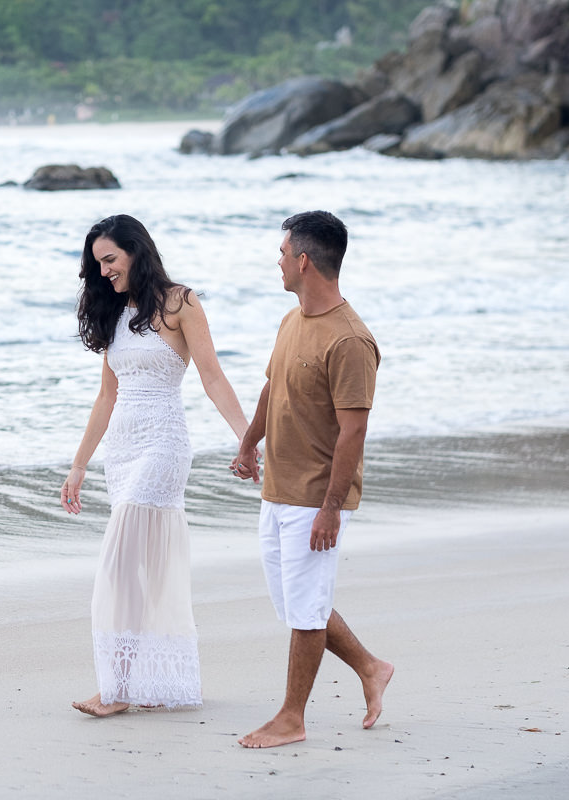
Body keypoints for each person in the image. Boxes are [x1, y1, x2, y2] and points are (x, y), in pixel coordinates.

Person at [60, 214, 252, 717]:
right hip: (121, 450)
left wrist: (249, 441)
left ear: (135, 252)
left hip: (163, 443)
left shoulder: (181, 302)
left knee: (120, 563)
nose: (102, 272)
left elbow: (212, 377)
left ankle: (117, 689)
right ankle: (131, 681)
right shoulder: (118, 314)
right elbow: (106, 396)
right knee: (131, 570)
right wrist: (79, 466)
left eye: (110, 260)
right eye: (96, 264)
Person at [231, 210, 394, 748]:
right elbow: (270, 389)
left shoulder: (350, 341)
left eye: (282, 253)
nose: (276, 261)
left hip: (314, 498)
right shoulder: (291, 319)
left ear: (303, 261)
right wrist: (250, 441)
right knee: (299, 604)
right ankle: (371, 667)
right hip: (276, 487)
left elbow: (354, 433)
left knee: (305, 610)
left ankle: (292, 718)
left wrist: (330, 507)